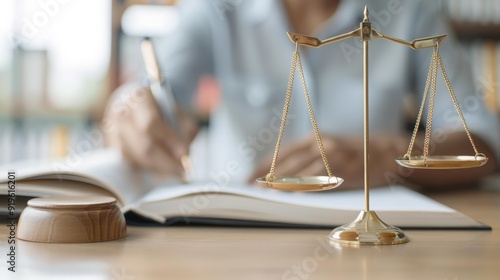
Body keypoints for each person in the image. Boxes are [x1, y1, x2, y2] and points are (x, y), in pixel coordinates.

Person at [104, 0, 498, 191]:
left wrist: (395, 156)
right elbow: (147, 92)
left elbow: (484, 141)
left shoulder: (411, 11)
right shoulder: (216, 10)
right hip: (235, 239)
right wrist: (128, 110)